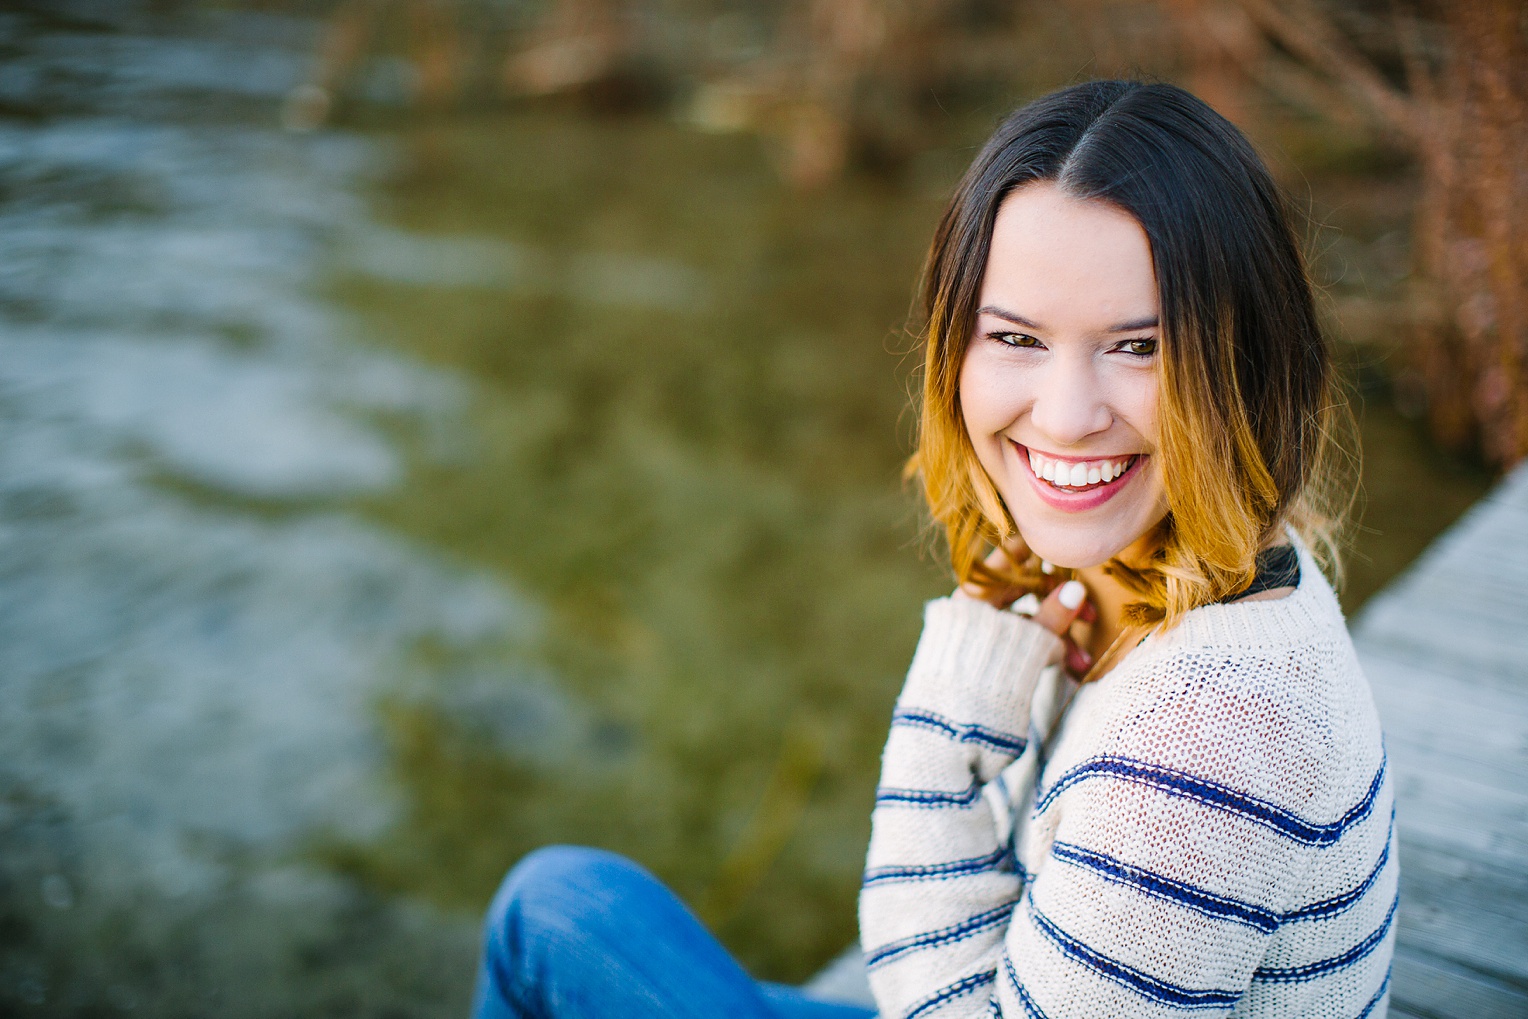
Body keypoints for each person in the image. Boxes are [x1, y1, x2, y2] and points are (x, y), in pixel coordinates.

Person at [469, 79, 1394, 1019]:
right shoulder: (1158, 568)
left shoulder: (1207, 740)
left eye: (1139, 346)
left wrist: (944, 735)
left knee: (545, 934)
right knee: (558, 909)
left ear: (1250, 359)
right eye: (1018, 338)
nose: (1068, 418)